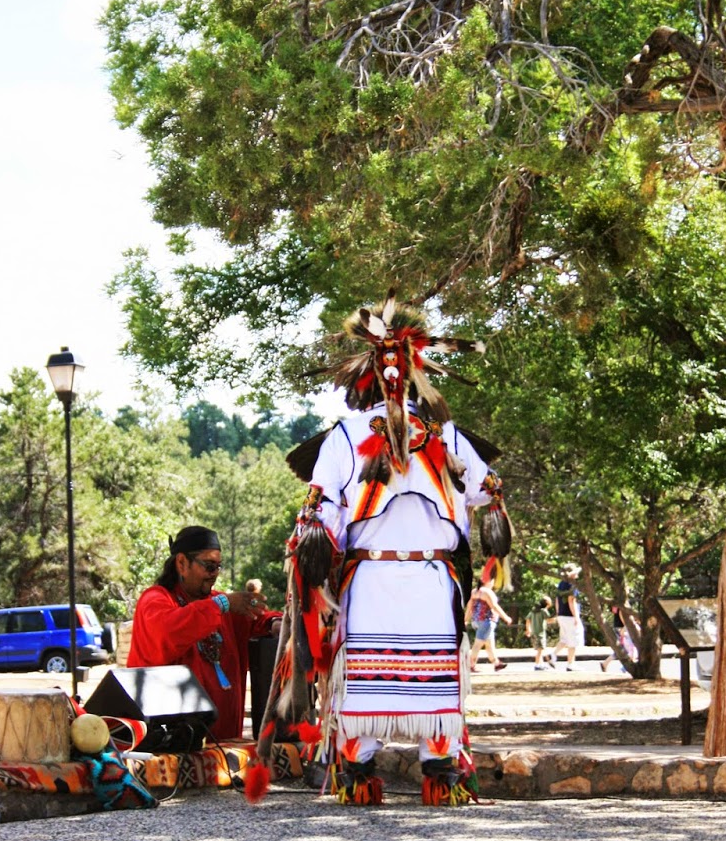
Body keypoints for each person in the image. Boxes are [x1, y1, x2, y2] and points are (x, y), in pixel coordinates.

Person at [254, 295, 513, 807]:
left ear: (360, 380)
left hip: (369, 582)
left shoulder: (344, 437)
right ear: (418, 374)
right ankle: (438, 774)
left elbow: (319, 515)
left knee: (365, 677)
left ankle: (358, 774)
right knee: (431, 678)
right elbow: (489, 492)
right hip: (432, 580)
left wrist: (307, 572)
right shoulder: (447, 434)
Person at [127, 526, 280, 743]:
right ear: (182, 563)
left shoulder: (218, 604)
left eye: (218, 566)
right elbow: (168, 632)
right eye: (209, 566)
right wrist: (222, 603)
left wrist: (274, 623)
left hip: (225, 745)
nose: (215, 574)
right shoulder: (155, 600)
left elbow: (255, 620)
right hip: (173, 745)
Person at [466, 578, 512, 672]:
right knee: (478, 644)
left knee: (489, 644)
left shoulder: (474, 591)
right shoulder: (487, 592)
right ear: (487, 581)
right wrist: (506, 617)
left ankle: (496, 663)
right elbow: (494, 606)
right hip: (486, 621)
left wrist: (465, 620)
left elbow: (469, 608)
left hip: (476, 621)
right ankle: (471, 664)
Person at [551, 564, 583, 668]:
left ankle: (553, 655)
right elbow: (571, 600)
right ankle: (571, 663)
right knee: (573, 640)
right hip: (569, 616)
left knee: (564, 639)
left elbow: (557, 600)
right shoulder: (572, 585)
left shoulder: (561, 584)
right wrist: (576, 616)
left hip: (561, 614)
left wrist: (558, 612)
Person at [527, 596, 554, 670]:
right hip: (540, 633)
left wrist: (528, 629)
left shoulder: (533, 610)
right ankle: (537, 665)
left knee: (540, 649)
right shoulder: (544, 611)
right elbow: (549, 620)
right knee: (540, 650)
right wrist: (556, 619)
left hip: (534, 632)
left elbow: (528, 619)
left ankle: (541, 664)